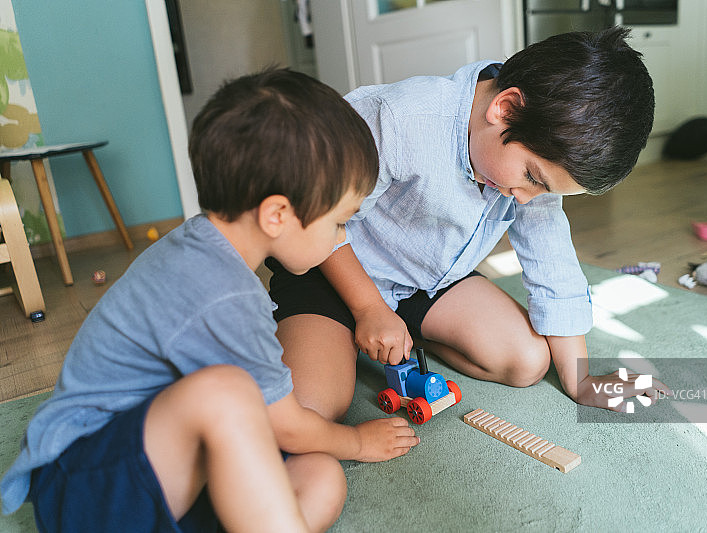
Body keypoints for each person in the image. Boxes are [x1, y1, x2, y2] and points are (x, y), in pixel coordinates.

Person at [0, 67, 419, 533]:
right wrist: (357, 442)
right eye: (340, 222)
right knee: (233, 396)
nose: (342, 239)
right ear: (278, 214)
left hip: (167, 466)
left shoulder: (208, 246)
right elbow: (284, 425)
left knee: (320, 476)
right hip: (87, 485)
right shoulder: (221, 291)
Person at [266, 27, 669, 422]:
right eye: (532, 178)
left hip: (426, 280)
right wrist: (369, 308)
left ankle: (407, 331)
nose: (528, 198)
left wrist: (582, 383)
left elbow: (553, 262)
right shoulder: (396, 117)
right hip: (333, 269)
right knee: (313, 408)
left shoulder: (532, 156)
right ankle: (342, 332)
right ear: (505, 108)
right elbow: (317, 222)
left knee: (528, 362)